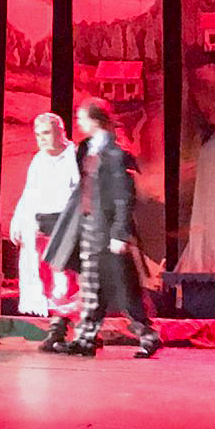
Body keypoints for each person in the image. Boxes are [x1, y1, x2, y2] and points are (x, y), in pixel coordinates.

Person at [40, 97, 161, 358]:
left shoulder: (114, 154)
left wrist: (120, 232)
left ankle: (147, 334)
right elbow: (84, 189)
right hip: (88, 227)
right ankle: (85, 339)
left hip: (107, 232)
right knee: (92, 287)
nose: (79, 123)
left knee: (123, 287)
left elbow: (123, 195)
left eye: (82, 118)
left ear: (95, 121)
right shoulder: (86, 148)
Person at [10, 112, 79, 319]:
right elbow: (29, 193)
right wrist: (17, 220)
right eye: (38, 135)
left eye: (46, 133)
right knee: (30, 244)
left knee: (62, 263)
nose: (41, 139)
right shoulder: (39, 160)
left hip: (67, 220)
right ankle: (35, 305)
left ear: (61, 132)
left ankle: (62, 304)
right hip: (41, 219)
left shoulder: (75, 157)